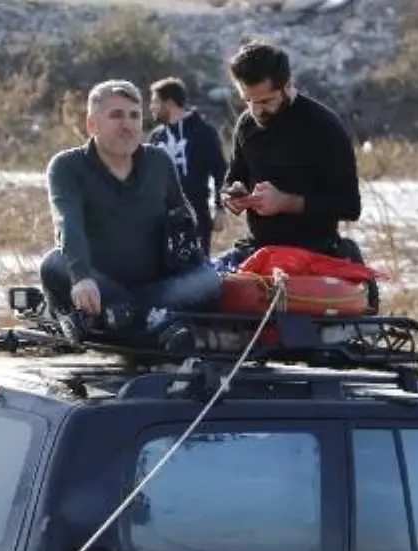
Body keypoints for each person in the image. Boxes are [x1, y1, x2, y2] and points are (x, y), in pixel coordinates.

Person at [39, 79, 220, 347]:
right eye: (116, 115)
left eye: (135, 115)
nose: (128, 124)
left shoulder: (158, 161)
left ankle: (129, 318)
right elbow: (68, 222)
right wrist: (81, 277)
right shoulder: (67, 166)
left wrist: (188, 256)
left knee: (209, 279)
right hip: (99, 285)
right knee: (53, 263)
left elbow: (182, 217)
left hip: (155, 287)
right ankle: (149, 322)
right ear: (92, 125)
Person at [217, 40, 365, 272]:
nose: (257, 111)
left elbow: (349, 205)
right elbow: (233, 179)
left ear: (287, 86)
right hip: (258, 250)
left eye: (266, 101)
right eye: (248, 101)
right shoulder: (246, 125)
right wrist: (233, 196)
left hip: (314, 252)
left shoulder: (324, 126)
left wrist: (286, 202)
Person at [147, 77, 229, 257]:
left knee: (195, 273)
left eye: (155, 101)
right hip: (160, 220)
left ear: (169, 103)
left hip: (196, 216)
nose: (151, 107)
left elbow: (220, 171)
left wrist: (220, 208)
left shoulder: (203, 132)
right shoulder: (156, 137)